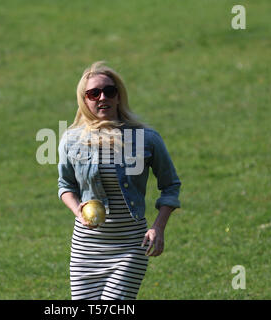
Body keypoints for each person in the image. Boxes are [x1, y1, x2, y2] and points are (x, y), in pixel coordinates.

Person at [57, 61, 181, 300]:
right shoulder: (71, 140)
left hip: (130, 247)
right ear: (84, 100)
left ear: (118, 96)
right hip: (86, 249)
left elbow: (170, 185)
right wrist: (78, 210)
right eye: (94, 93)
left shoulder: (146, 139)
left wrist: (159, 227)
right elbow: (66, 186)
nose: (102, 97)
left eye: (109, 91)